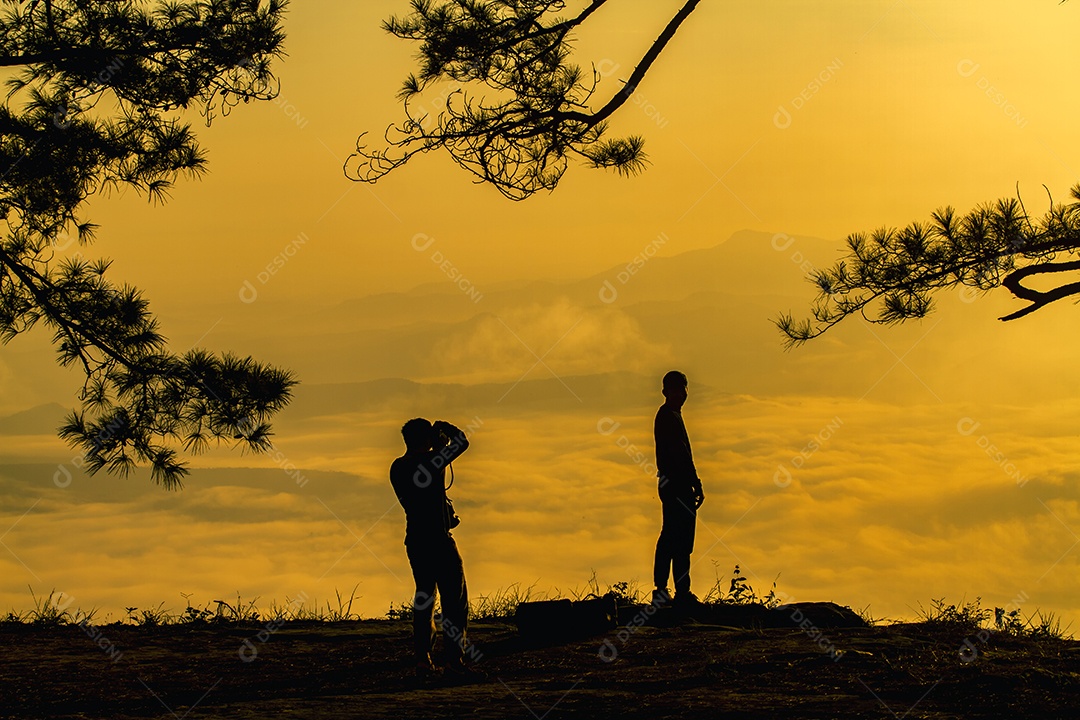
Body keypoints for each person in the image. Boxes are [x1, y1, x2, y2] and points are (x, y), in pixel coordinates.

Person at [390, 418, 475, 680]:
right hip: (439, 539)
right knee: (454, 601)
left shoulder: (397, 467)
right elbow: (462, 442)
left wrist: (436, 446)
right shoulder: (432, 461)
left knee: (424, 598)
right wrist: (445, 429)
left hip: (416, 540)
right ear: (426, 439)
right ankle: (454, 661)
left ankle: (423, 660)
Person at [652, 370, 705, 608]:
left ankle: (674, 590)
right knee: (675, 537)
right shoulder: (667, 417)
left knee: (677, 537)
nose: (681, 394)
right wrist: (695, 482)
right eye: (676, 390)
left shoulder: (672, 415)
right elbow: (680, 454)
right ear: (666, 392)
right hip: (676, 484)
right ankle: (671, 591)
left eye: (683, 389)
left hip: (675, 484)